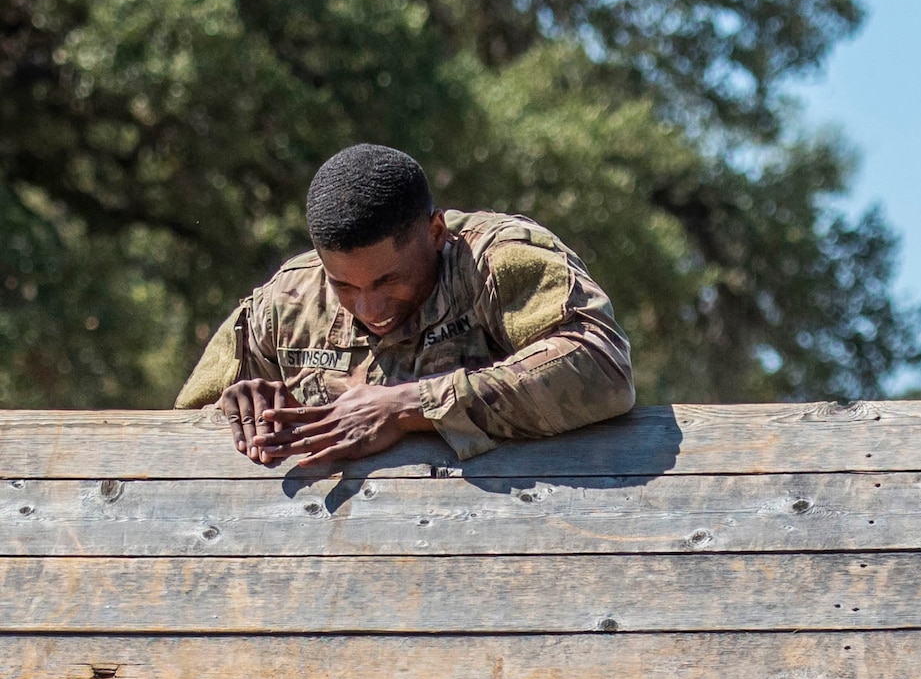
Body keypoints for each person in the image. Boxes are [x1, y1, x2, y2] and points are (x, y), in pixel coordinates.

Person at [175, 143, 635, 465]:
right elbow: (180, 436)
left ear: (436, 233)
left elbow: (602, 367)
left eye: (389, 280)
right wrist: (234, 410)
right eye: (345, 287)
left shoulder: (497, 261)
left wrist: (409, 406)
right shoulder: (287, 301)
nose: (370, 308)